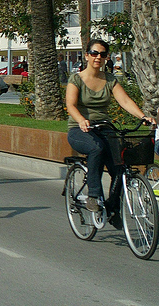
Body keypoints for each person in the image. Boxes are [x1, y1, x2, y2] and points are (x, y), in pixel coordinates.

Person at [66, 39, 155, 227]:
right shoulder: (76, 79)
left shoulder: (110, 80)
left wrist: (143, 116)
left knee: (120, 166)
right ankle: (93, 195)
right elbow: (70, 105)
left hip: (104, 128)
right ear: (87, 55)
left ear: (107, 57)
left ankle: (113, 209)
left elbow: (124, 100)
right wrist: (81, 120)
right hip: (79, 129)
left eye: (103, 54)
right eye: (95, 53)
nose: (98, 57)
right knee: (96, 148)